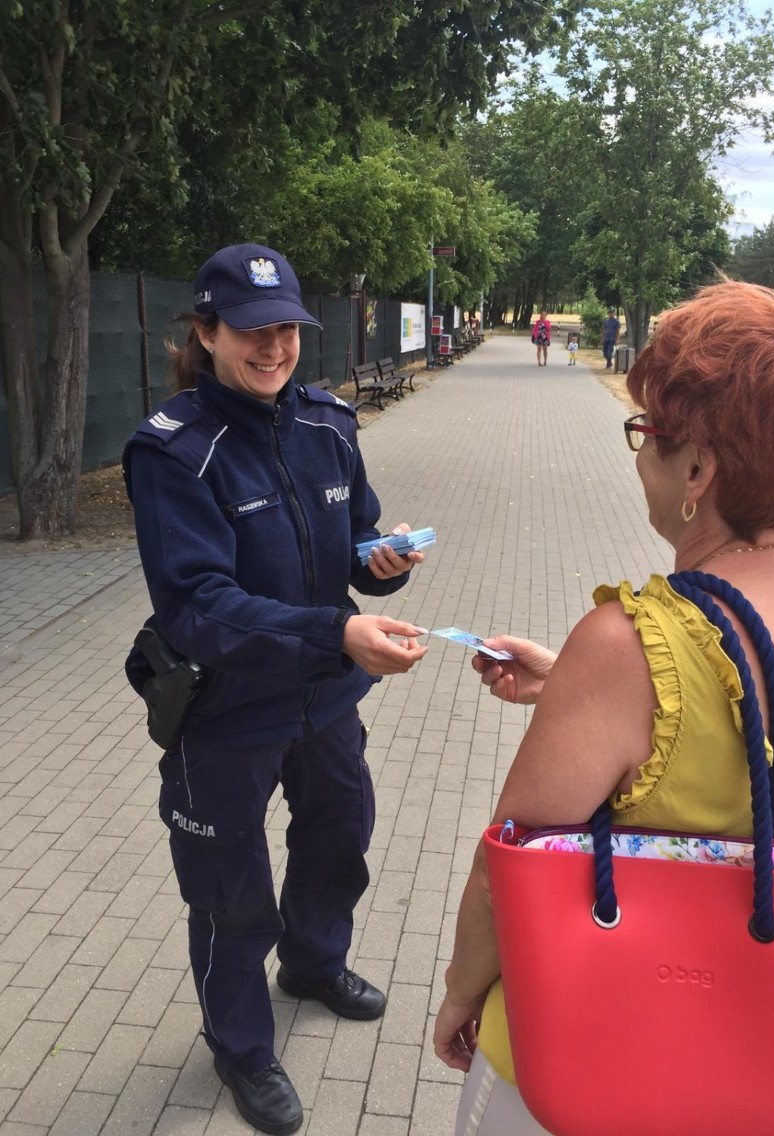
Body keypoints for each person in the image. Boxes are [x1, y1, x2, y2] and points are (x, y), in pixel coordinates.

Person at [433, 281, 774, 1135]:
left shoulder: (628, 642)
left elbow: (506, 867)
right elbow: (734, 746)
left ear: (697, 468)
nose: (638, 459)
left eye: (648, 437)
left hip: (584, 1046)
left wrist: (458, 993)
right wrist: (567, 689)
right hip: (743, 1051)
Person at [123, 243, 430, 1136]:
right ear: (208, 331)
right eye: (252, 331)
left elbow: (357, 546)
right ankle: (243, 1048)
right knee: (229, 891)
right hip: (223, 712)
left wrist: (384, 563)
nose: (274, 348)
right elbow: (197, 606)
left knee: (341, 838)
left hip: (326, 699)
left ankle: (312, 963)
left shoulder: (330, 422)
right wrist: (335, 628)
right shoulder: (175, 450)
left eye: (287, 329)